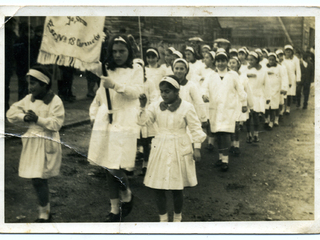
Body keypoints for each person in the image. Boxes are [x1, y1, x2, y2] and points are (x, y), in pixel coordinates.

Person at [87, 34, 144, 222]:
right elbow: (85, 62)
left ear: (129, 51)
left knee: (116, 166)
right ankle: (113, 209)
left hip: (124, 119)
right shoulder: (105, 68)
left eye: (122, 51)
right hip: (106, 119)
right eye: (114, 51)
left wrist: (116, 85)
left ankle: (127, 193)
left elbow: (136, 92)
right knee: (106, 165)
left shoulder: (136, 68)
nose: (118, 55)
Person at [138, 76, 206, 222]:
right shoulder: (155, 106)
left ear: (177, 92)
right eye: (162, 91)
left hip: (179, 147)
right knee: (158, 186)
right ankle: (163, 218)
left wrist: (197, 147)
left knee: (177, 186)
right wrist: (142, 106)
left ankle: (177, 217)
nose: (164, 94)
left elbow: (195, 128)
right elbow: (143, 121)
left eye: (167, 91)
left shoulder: (187, 107)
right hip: (161, 146)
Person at [6, 65, 65, 222]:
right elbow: (10, 114)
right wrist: (24, 117)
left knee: (40, 178)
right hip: (32, 143)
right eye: (28, 83)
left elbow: (56, 124)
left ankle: (44, 213)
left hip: (46, 142)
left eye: (33, 83)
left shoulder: (55, 101)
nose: (29, 87)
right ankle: (45, 210)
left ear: (44, 84)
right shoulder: (28, 99)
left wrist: (38, 119)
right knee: (35, 179)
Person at [202, 51, 247, 171]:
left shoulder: (233, 75)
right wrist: (205, 95)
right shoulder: (211, 75)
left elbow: (241, 90)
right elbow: (204, 88)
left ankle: (225, 160)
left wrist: (244, 103)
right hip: (215, 110)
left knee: (225, 134)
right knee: (218, 134)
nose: (220, 63)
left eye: (223, 61)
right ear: (215, 62)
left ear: (227, 62)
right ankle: (221, 157)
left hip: (228, 109)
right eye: (218, 61)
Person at [134, 58, 158, 176]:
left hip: (147, 114)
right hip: (135, 116)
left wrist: (147, 107)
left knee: (146, 142)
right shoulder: (131, 84)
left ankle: (146, 164)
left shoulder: (150, 83)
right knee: (133, 141)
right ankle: (129, 166)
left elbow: (154, 97)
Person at [243, 51, 270, 143]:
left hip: (258, 95)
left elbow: (267, 84)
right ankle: (248, 134)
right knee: (247, 116)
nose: (250, 61)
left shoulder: (263, 70)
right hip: (247, 95)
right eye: (249, 59)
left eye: (252, 59)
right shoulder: (245, 70)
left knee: (255, 116)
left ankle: (256, 134)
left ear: (257, 60)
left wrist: (267, 97)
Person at [228, 56, 253, 156]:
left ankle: (236, 145)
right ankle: (231, 144)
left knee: (237, 126)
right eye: (230, 63)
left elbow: (247, 91)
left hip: (239, 103)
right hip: (229, 104)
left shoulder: (243, 77)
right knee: (230, 125)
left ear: (238, 64)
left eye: (233, 63)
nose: (231, 65)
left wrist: (248, 104)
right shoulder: (227, 76)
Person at [172, 58, 207, 124]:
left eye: (182, 69)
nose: (179, 71)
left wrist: (203, 119)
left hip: (188, 118)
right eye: (176, 68)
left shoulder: (191, 85)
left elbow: (199, 102)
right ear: (173, 69)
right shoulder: (170, 84)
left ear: (186, 70)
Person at [14, 22, 37, 100]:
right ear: (25, 33)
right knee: (23, 88)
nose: (32, 34)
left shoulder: (32, 42)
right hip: (22, 69)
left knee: (29, 88)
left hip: (30, 68)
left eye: (33, 32)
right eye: (30, 32)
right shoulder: (21, 42)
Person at [264, 53, 287, 129]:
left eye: (273, 60)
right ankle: (266, 120)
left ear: (275, 60)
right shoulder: (264, 67)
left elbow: (284, 78)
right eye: (269, 59)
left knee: (273, 107)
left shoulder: (279, 68)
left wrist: (283, 87)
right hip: (266, 89)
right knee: (266, 106)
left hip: (276, 89)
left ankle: (272, 122)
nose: (271, 61)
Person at [282, 45, 301, 114]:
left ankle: (288, 108)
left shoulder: (295, 59)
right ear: (284, 52)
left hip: (291, 77)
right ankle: (283, 108)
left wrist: (298, 79)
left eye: (289, 51)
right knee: (283, 93)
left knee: (289, 93)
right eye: (286, 51)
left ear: (292, 52)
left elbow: (298, 69)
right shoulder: (282, 58)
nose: (288, 52)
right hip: (283, 77)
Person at [5, 17, 17, 113]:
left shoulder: (13, 35)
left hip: (8, 66)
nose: (13, 26)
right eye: (12, 24)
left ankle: (5, 108)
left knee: (6, 88)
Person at [275, 49, 289, 119]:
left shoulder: (284, 66)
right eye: (279, 56)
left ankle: (282, 110)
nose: (280, 57)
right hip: (275, 84)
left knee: (283, 98)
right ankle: (277, 113)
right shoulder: (275, 66)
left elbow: (285, 77)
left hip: (282, 84)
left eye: (281, 55)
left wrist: (285, 87)